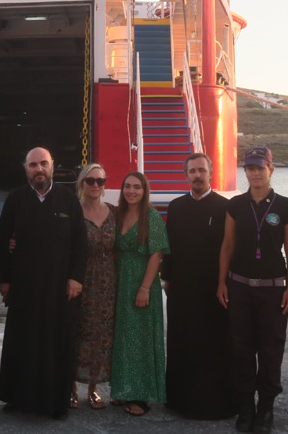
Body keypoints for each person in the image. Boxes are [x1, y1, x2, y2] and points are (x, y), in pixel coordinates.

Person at [0, 147, 87, 419]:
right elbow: (3, 241)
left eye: (43, 164)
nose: (39, 169)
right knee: (21, 343)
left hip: (58, 287)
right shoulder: (15, 199)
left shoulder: (68, 199)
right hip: (23, 287)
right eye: (33, 164)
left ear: (52, 166)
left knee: (55, 344)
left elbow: (80, 243)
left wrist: (75, 278)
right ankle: (17, 398)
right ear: (26, 168)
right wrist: (4, 280)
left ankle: (56, 403)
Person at [216, 147, 288, 433]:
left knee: (270, 351)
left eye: (260, 168)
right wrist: (221, 282)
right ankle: (246, 408)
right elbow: (227, 245)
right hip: (240, 287)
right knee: (241, 350)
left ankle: (265, 408)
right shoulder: (236, 205)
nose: (255, 173)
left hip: (273, 291)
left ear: (270, 170)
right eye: (250, 168)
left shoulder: (285, 206)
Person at [163, 152, 236, 420]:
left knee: (214, 344)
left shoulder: (225, 207)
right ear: (186, 175)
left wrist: (226, 283)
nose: (197, 175)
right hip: (181, 288)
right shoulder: (176, 207)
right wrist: (166, 278)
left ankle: (215, 403)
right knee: (182, 342)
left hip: (213, 288)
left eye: (201, 170)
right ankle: (180, 400)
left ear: (210, 173)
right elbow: (169, 246)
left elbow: (231, 248)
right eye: (192, 171)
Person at [110, 171, 169, 417]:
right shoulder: (118, 214)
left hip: (142, 282)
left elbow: (157, 254)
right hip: (121, 282)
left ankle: (143, 396)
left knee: (141, 338)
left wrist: (145, 287)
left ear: (144, 191)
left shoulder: (151, 217)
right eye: (127, 186)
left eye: (137, 187)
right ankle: (124, 388)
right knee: (123, 337)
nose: (131, 191)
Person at [70, 163, 117, 410]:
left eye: (100, 181)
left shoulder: (114, 212)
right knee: (77, 330)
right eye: (90, 181)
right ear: (82, 183)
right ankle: (71, 387)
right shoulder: (73, 212)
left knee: (102, 334)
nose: (96, 185)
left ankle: (93, 387)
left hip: (108, 281)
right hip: (80, 278)